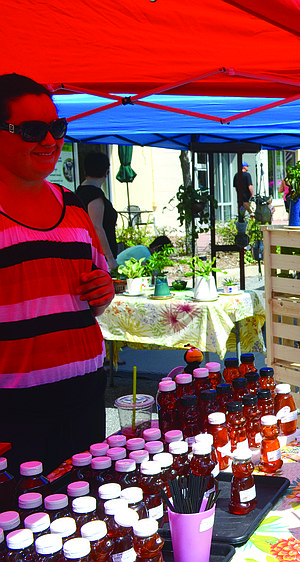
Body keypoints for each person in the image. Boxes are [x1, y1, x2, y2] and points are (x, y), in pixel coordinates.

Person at [0, 73, 114, 476]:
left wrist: (103, 292)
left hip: (83, 394)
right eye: (32, 130)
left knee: (88, 509)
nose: (49, 141)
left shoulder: (71, 203)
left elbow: (96, 292)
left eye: (56, 127)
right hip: (13, 409)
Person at [76, 151, 118, 270]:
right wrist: (110, 259)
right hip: (98, 259)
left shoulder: (79, 192)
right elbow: (97, 227)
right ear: (106, 172)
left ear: (85, 171)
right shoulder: (94, 195)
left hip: (86, 253)